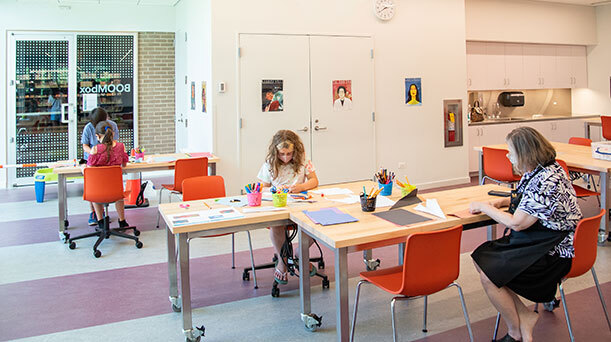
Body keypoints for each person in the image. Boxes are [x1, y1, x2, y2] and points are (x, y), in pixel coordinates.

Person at [469, 127, 582, 342]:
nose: (507, 156)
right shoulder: (546, 169)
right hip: (542, 243)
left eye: (511, 151)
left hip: (552, 255)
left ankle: (514, 331)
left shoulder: (546, 180)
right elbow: (525, 197)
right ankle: (524, 315)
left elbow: (517, 223)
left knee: (489, 275)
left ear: (525, 153)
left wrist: (484, 207)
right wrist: (503, 202)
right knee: (481, 258)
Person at [257, 130, 319, 284]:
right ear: (275, 151)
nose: (285, 158)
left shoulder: (303, 160)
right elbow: (263, 187)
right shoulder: (270, 163)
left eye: (289, 154)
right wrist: (270, 190)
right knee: (276, 225)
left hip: (300, 203)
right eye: (281, 154)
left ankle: (299, 253)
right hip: (279, 204)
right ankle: (282, 260)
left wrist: (301, 186)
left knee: (317, 222)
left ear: (295, 151)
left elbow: (314, 181)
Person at [86, 120, 130, 230]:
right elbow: (124, 164)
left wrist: (83, 168)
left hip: (98, 191)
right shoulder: (121, 147)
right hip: (116, 190)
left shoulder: (95, 149)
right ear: (113, 134)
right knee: (119, 194)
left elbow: (90, 169)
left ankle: (100, 221)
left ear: (97, 136)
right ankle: (122, 220)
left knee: (96, 191)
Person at [81, 107, 120, 225]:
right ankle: (94, 212)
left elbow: (115, 144)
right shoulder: (88, 128)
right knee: (93, 186)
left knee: (106, 187)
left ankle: (101, 215)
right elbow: (85, 145)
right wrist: (93, 151)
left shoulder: (112, 126)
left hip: (108, 160)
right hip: (93, 160)